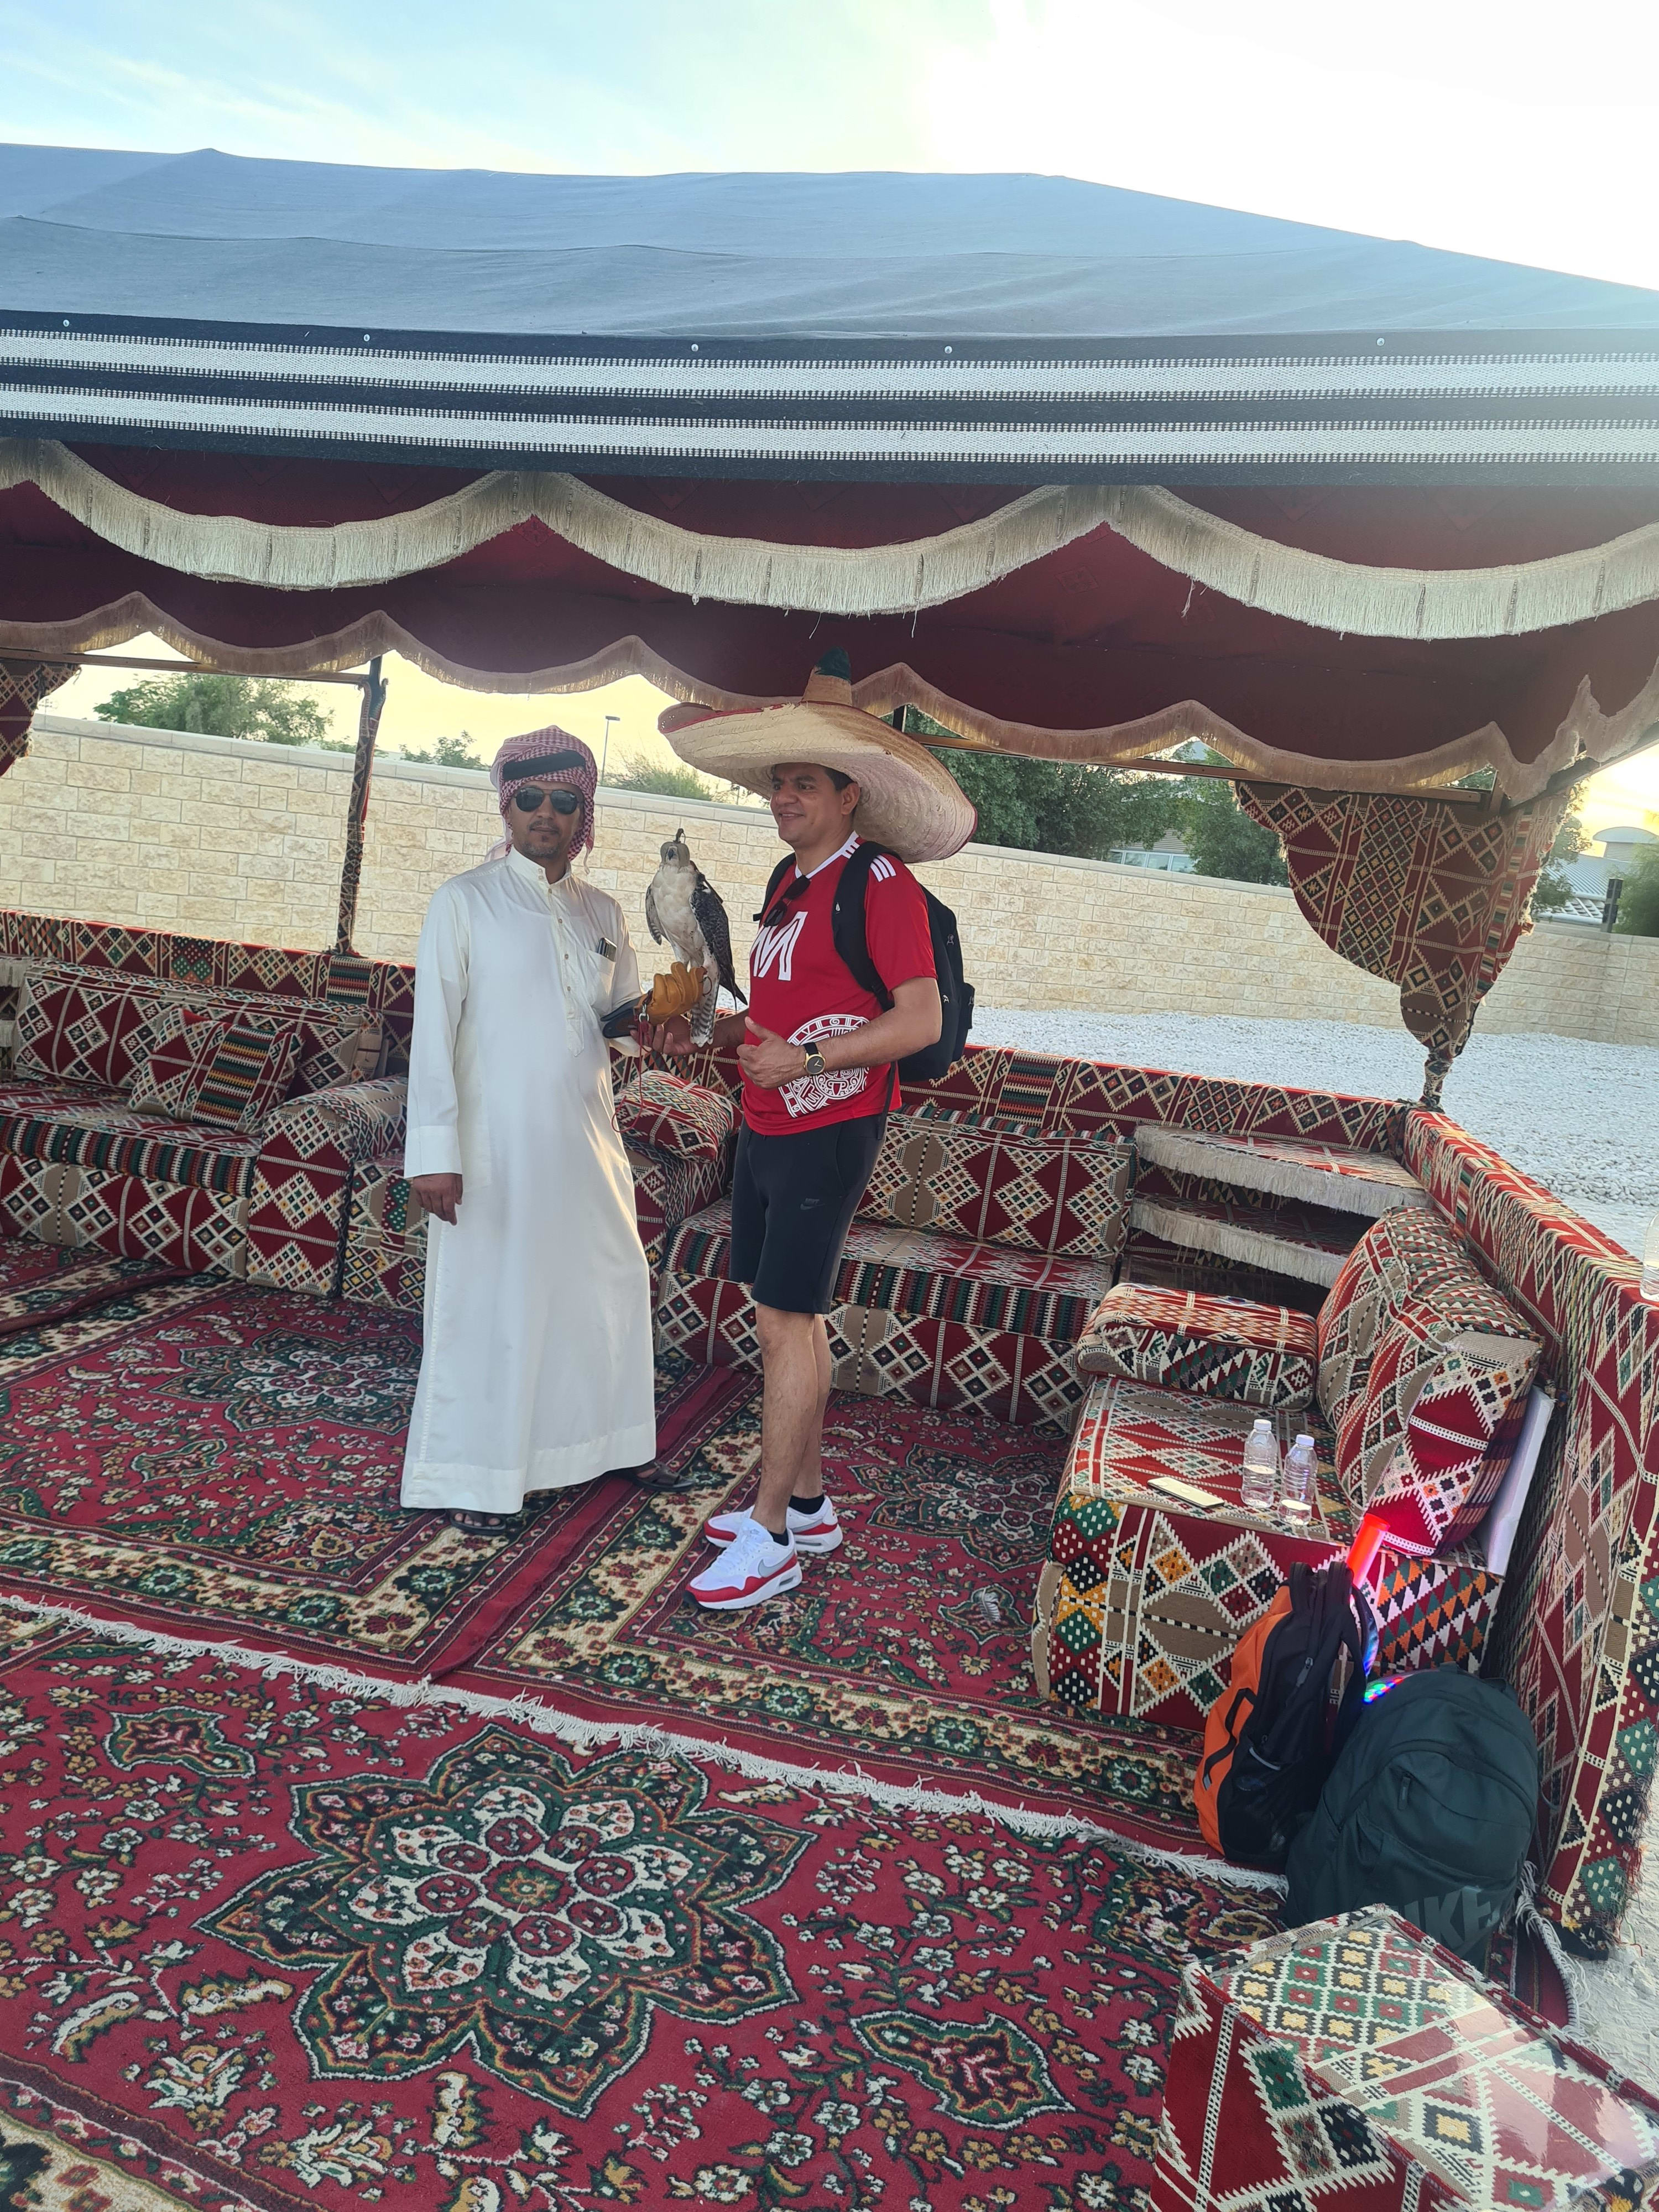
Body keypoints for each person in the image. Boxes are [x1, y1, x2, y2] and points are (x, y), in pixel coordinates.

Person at [653, 652, 975, 1608]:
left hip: (829, 1125)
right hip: (766, 1123)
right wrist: (703, 1028)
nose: (782, 797)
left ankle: (769, 1536)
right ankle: (809, 1502)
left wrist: (808, 1063)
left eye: (803, 782)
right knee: (779, 1311)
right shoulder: (789, 879)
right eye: (777, 782)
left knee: (787, 1321)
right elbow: (777, 1012)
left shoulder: (880, 884)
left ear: (850, 793)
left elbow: (917, 1022)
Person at [401, 728, 656, 1529]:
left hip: (586, 1145)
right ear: (506, 805)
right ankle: (474, 1477)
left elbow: (618, 1024)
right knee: (495, 1305)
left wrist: (662, 1029)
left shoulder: (603, 911)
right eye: (530, 799)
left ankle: (596, 1451)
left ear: (585, 812)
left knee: (601, 1290)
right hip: (494, 1149)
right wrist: (434, 1156)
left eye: (565, 801)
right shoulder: (464, 901)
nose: (546, 814)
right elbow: (433, 1035)